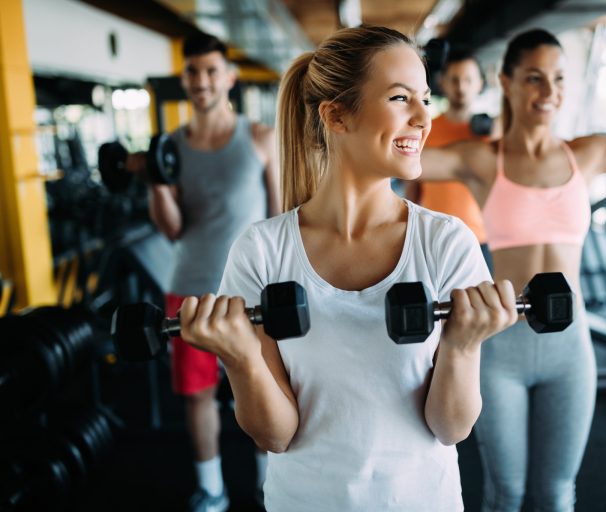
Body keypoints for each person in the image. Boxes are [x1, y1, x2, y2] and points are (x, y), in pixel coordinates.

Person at [176, 25, 518, 512]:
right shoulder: (261, 252)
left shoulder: (446, 243)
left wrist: (463, 345)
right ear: (336, 116)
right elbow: (276, 435)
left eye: (425, 97)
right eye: (402, 98)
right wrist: (240, 359)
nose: (425, 117)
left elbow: (451, 428)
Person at [418, 27, 606, 511]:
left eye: (558, 78)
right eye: (534, 78)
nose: (549, 92)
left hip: (570, 352)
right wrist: (407, 87)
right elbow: (390, 158)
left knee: (557, 495)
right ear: (506, 82)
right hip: (502, 348)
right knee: (505, 494)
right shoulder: (481, 160)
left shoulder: (588, 154)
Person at [134, 33, 280, 512]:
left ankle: (267, 487)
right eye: (193, 72)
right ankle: (212, 490)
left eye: (211, 71)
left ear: (229, 79)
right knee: (197, 398)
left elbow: (280, 219)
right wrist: (157, 181)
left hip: (252, 294)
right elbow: (172, 229)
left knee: (260, 390)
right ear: (184, 79)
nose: (201, 80)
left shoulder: (259, 138)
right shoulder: (171, 147)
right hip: (190, 290)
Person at [406, 48, 495, 270]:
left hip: (482, 239)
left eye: (468, 79)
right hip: (435, 238)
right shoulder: (425, 129)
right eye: (454, 79)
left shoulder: (492, 134)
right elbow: (412, 186)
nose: (461, 87)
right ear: (442, 83)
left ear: (480, 84)